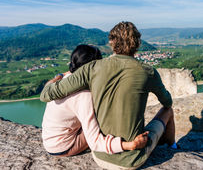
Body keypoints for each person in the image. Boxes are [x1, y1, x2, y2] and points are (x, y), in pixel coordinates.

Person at [40, 22, 176, 169]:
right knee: (168, 112)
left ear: (111, 43)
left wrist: (60, 76)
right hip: (132, 158)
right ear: (138, 44)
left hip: (99, 156)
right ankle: (173, 148)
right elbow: (167, 102)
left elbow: (46, 94)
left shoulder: (93, 68)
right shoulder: (148, 72)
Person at [42, 44, 148, 157]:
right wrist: (130, 145)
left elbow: (48, 86)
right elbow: (94, 142)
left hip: (50, 141)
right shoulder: (83, 95)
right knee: (104, 118)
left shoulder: (63, 82)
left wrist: (60, 75)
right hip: (64, 146)